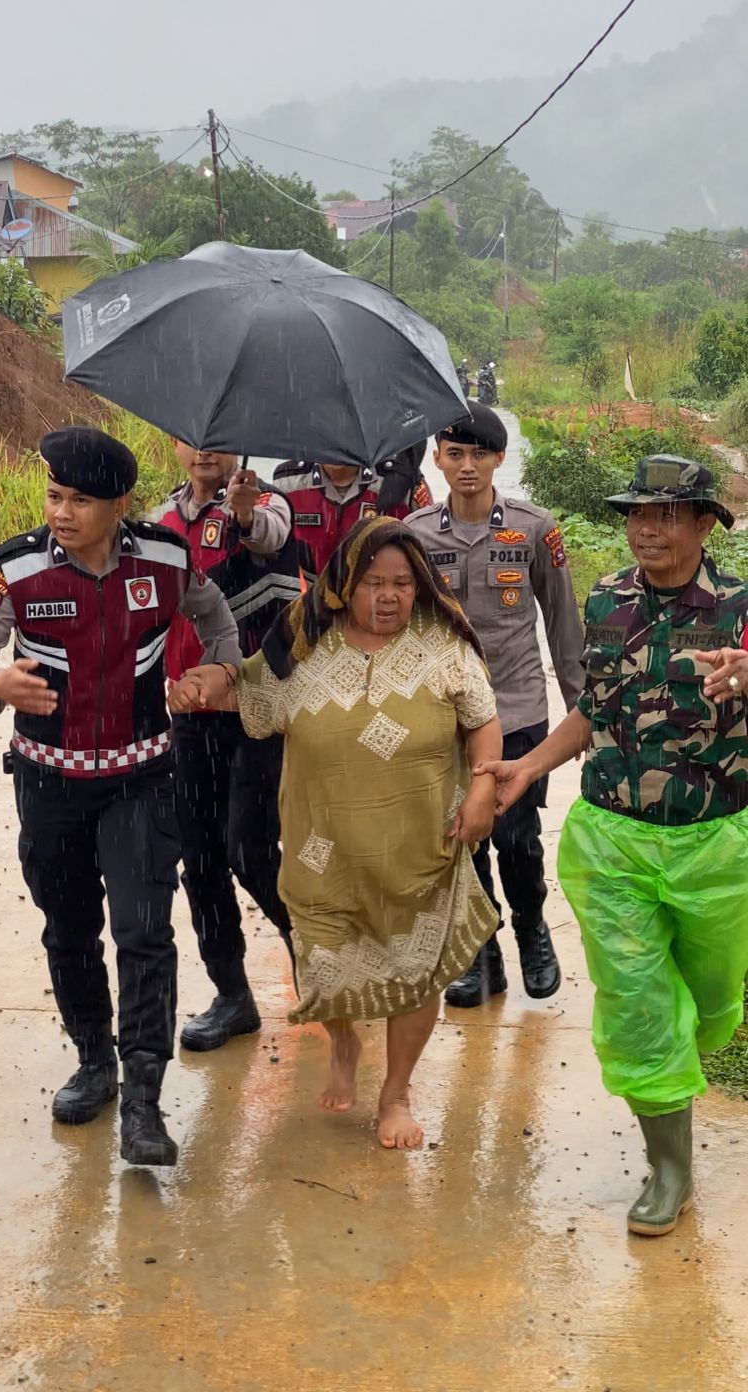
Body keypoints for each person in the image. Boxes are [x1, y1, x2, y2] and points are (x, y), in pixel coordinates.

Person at [0, 426, 241, 1169]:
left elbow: (214, 618)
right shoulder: (15, 569)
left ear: (121, 505)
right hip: (49, 782)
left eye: (81, 500)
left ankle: (144, 1100)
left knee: (144, 931)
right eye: (55, 495)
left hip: (143, 778)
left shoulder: (167, 560)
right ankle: (93, 1061)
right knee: (68, 930)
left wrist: (220, 671)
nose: (63, 512)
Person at [477, 454, 748, 1237]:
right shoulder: (608, 600)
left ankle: (678, 1071)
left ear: (703, 524)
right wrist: (528, 765)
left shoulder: (739, 606)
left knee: (712, 1004)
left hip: (718, 847)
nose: (645, 530)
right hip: (615, 841)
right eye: (636, 514)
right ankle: (670, 1168)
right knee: (638, 1008)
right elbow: (593, 710)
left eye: (665, 516)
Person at [169, 516, 501, 1150]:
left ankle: (396, 1091)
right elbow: (247, 690)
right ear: (344, 583)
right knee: (323, 961)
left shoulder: (444, 644)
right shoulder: (303, 645)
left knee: (417, 971)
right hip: (324, 851)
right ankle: (344, 1042)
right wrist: (210, 683)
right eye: (373, 581)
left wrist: (483, 790)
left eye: (402, 583)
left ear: (421, 585)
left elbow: (484, 722)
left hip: (422, 847)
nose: (388, 597)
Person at [408, 403, 584, 1006]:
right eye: (454, 454)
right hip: (447, 716)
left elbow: (563, 624)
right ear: (437, 459)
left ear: (499, 460)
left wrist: (585, 716)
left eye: (479, 454)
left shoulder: (535, 529)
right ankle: (480, 952)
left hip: (518, 711)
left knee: (515, 838)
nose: (467, 466)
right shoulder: (416, 534)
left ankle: (533, 930)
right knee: (463, 835)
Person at [156, 443, 301, 1051]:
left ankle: (315, 951)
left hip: (258, 709)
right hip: (188, 715)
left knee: (248, 846)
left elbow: (270, 536)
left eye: (217, 438)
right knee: (201, 858)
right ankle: (232, 994)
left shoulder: (266, 502)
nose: (204, 449)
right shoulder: (160, 524)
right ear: (176, 443)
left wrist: (242, 516)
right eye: (192, 436)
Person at [273, 446, 432, 582]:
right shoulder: (288, 480)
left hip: (381, 601)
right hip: (309, 606)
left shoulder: (400, 479)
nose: (332, 443)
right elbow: (272, 551)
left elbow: (429, 552)